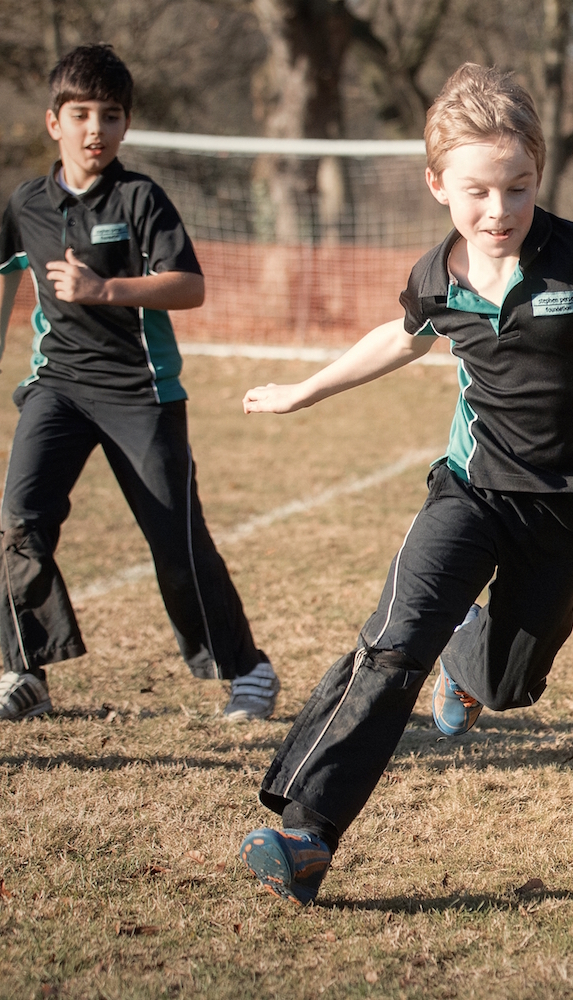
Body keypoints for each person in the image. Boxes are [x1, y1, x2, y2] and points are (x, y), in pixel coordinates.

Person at [236, 64, 573, 905]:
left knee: (511, 684)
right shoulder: (435, 274)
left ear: (539, 175)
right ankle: (307, 832)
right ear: (438, 185)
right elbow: (405, 336)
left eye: (518, 188)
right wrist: (304, 389)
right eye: (478, 192)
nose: (499, 211)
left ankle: (468, 664)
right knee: (391, 644)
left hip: (568, 506)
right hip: (470, 488)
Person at [0, 44, 278, 723]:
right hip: (57, 387)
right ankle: (21, 669)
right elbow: (7, 278)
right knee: (17, 526)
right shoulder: (26, 204)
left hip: (140, 392)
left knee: (176, 541)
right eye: (82, 113)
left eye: (112, 115)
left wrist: (106, 288)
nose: (96, 129)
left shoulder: (140, 197)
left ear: (126, 126)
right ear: (53, 122)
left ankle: (248, 670)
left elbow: (190, 286)